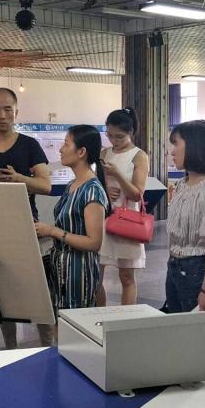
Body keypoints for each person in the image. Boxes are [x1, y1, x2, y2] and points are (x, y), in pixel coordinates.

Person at [0, 87, 54, 348]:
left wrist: (18, 179)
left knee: (38, 291)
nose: (2, 115)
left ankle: (48, 346)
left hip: (27, 227)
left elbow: (45, 185)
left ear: (16, 112)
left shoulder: (29, 145)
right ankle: (10, 348)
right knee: (2, 294)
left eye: (8, 109)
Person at [35, 125, 111, 314]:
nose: (61, 149)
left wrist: (53, 231)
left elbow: (94, 242)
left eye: (66, 144)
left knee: (74, 326)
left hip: (78, 271)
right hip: (61, 269)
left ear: (81, 152)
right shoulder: (72, 185)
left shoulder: (92, 190)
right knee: (60, 324)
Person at [164, 120, 205, 313]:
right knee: (174, 323)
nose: (172, 152)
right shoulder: (182, 185)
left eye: (176, 144)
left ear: (193, 146)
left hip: (194, 270)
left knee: (194, 328)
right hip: (173, 265)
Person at [95, 107, 149, 306]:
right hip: (104, 216)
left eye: (119, 136)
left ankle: (126, 318)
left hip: (127, 219)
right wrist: (105, 190)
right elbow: (96, 182)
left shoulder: (139, 156)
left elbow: (137, 194)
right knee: (96, 275)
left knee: (126, 277)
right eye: (110, 135)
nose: (114, 141)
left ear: (130, 132)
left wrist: (117, 175)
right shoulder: (104, 153)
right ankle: (99, 316)